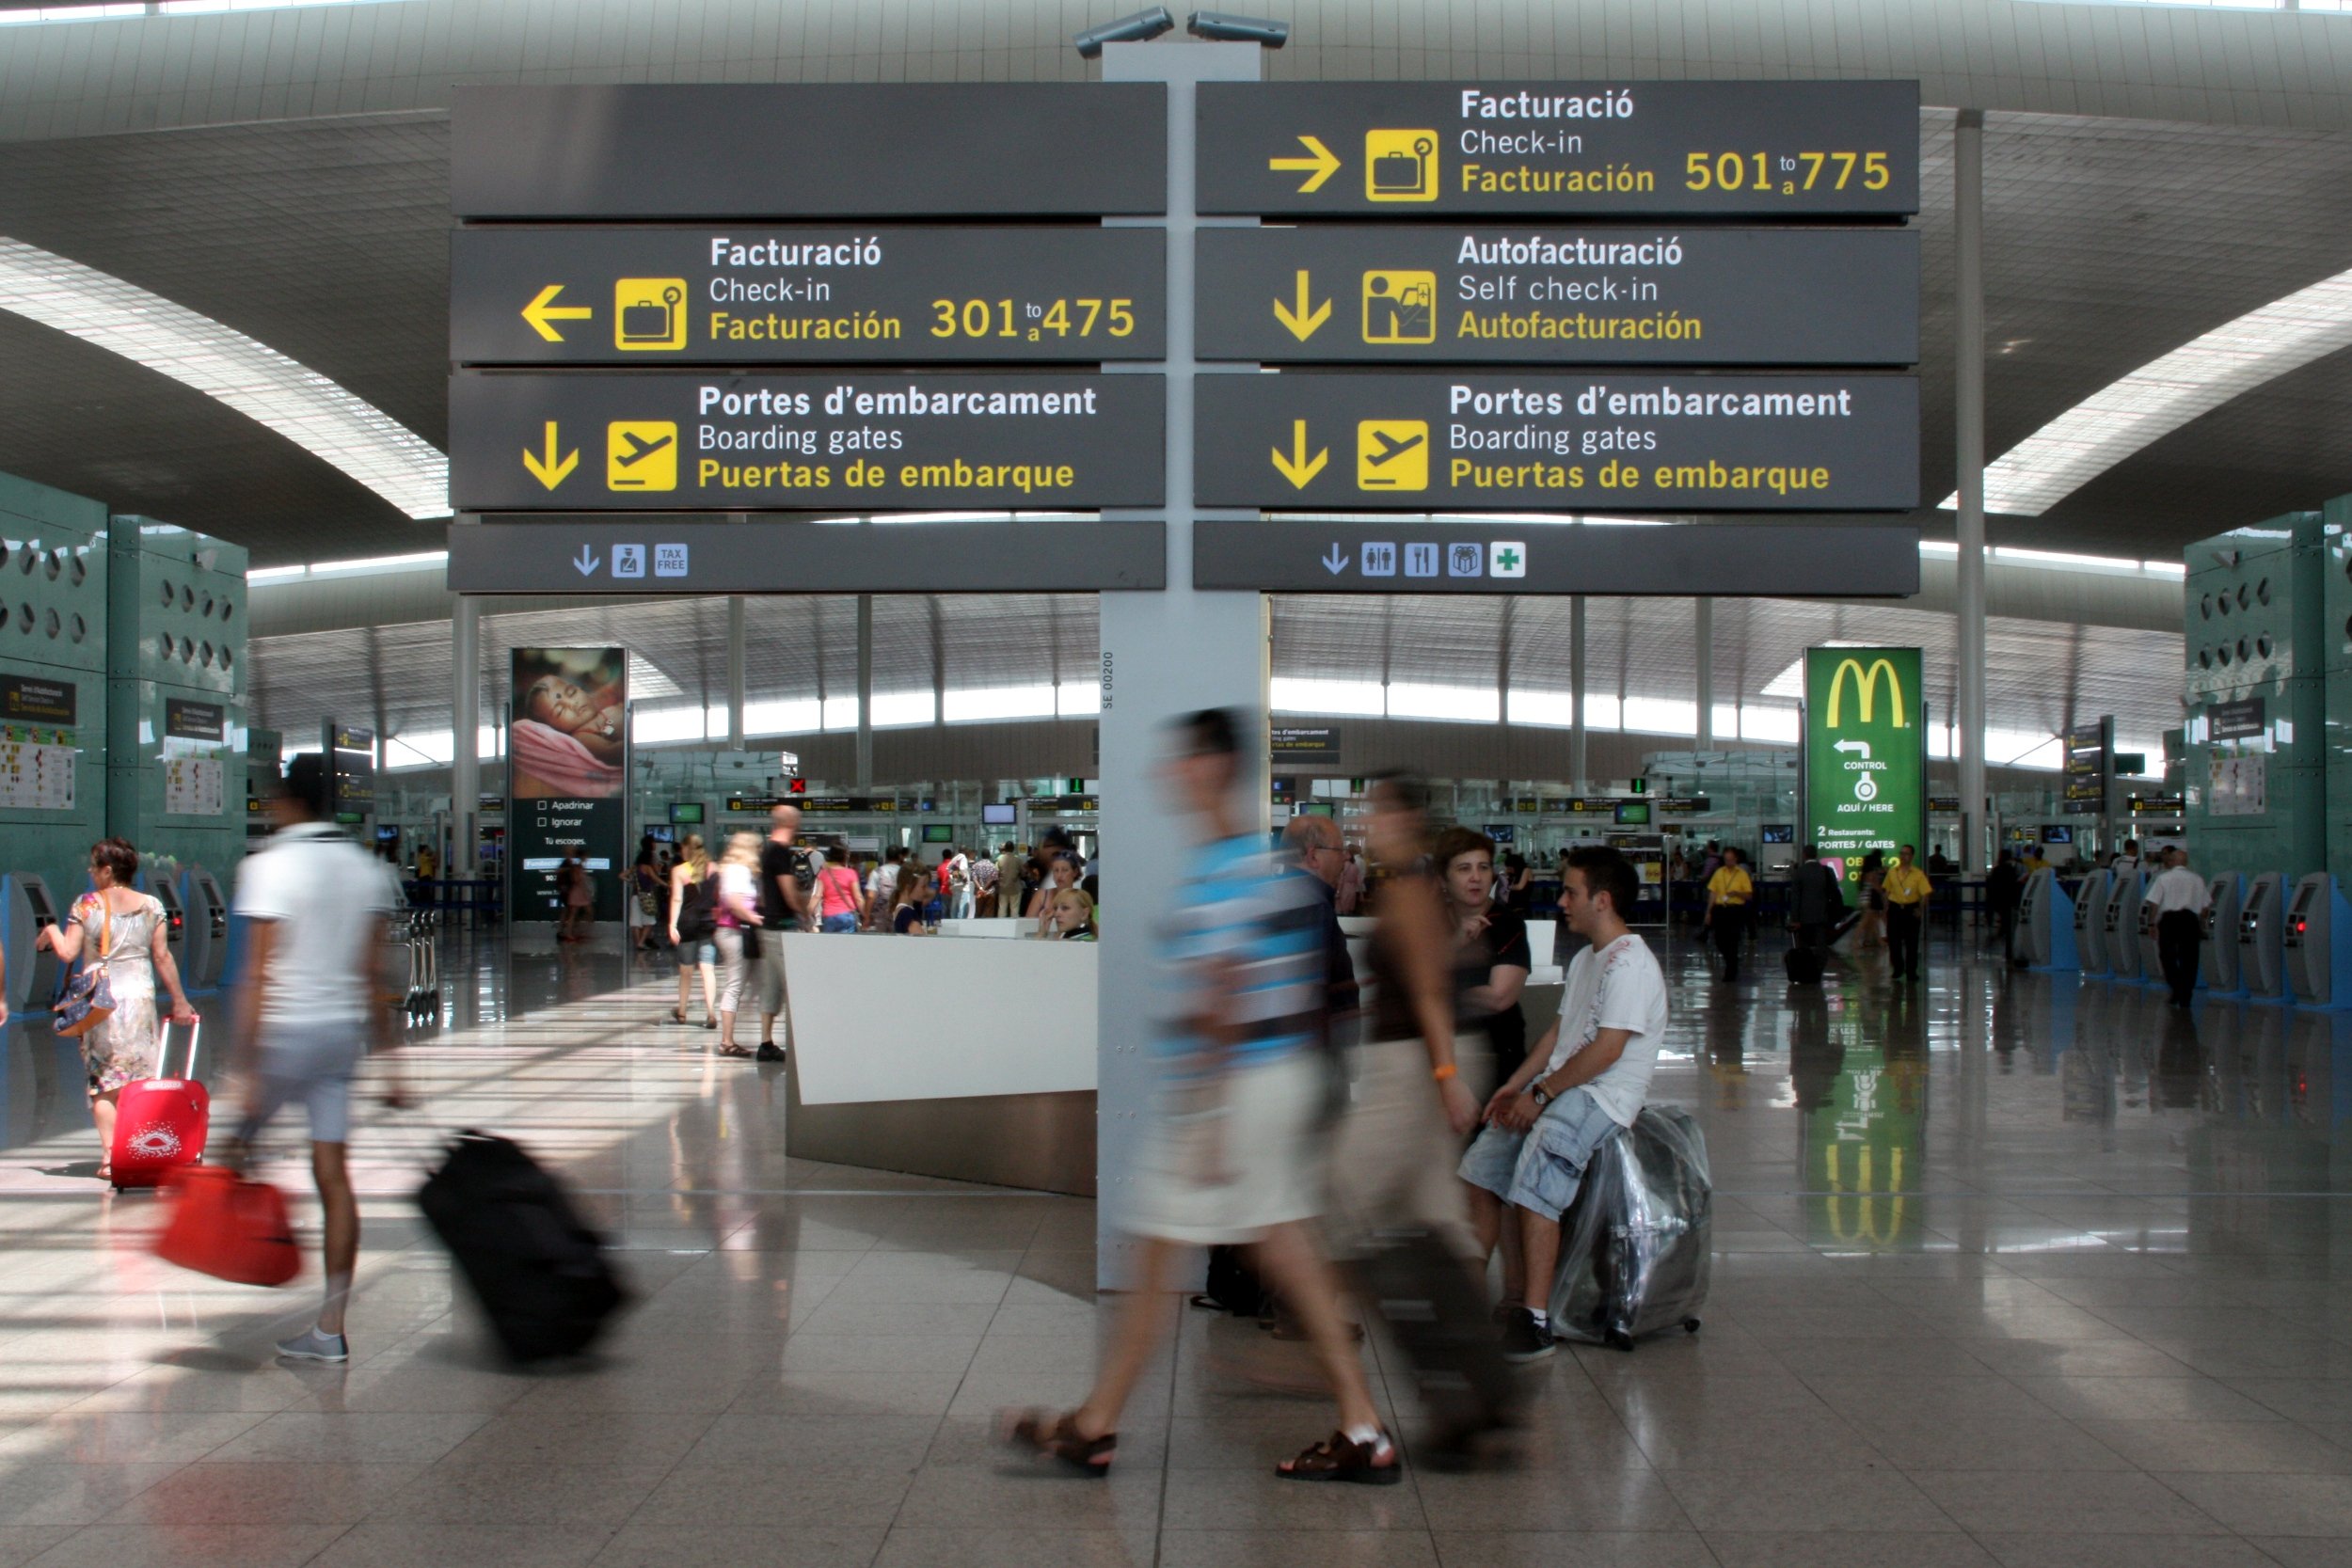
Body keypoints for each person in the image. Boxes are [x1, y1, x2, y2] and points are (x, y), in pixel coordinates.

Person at [1000, 709, 1383, 1484]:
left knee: (1156, 1250)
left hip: (1233, 1090)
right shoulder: (1247, 864)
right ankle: (1361, 1424)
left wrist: (1208, 1111)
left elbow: (1226, 993)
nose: (1167, 774)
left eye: (1181, 761)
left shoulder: (1230, 872)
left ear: (1211, 767)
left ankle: (1095, 1425)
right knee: (1278, 1247)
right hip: (1261, 1083)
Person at [225, 752, 407, 1363]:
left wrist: (246, 1069)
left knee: (233, 1148)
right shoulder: (366, 869)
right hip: (339, 1038)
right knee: (334, 1176)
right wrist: (391, 1064)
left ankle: (235, 1249)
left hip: (285, 1034)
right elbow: (373, 977)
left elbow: (256, 973)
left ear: (285, 801)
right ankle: (330, 1326)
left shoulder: (268, 866)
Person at [1461, 845, 1668, 1361]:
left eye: (1571, 892)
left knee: (1537, 1173)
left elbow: (1608, 1049)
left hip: (1604, 1094)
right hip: (1562, 1084)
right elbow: (1559, 1034)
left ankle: (1534, 1319)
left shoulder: (1632, 965)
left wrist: (1542, 1095)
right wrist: (1516, 1086)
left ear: (1602, 899)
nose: (1561, 902)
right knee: (1482, 1168)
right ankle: (1474, 1300)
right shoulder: (1586, 959)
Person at [36, 837, 198, 1184]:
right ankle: (140, 1149)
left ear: (108, 870)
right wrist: (180, 1000)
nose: (90, 872)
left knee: (103, 1081)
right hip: (139, 999)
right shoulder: (153, 906)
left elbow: (67, 953)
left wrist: (50, 929)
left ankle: (111, 1157)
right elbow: (162, 957)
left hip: (101, 1003)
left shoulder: (87, 905)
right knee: (138, 1079)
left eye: (94, 866)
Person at [754, 805, 807, 1062]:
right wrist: (803, 910)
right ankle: (799, 1045)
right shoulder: (781, 852)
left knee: (772, 985)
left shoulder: (767, 851)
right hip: (784, 929)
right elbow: (789, 892)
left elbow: (764, 894)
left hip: (769, 927)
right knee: (794, 986)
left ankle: (766, 1042)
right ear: (791, 823)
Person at [712, 832, 763, 1058]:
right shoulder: (738, 870)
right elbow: (734, 902)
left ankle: (733, 1037)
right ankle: (727, 1041)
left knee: (746, 984)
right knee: (734, 985)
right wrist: (754, 918)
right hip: (734, 931)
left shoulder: (735, 870)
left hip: (735, 932)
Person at [2147, 847, 2211, 1007]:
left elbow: (2154, 903)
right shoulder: (2197, 879)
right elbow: (2205, 907)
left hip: (2169, 920)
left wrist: (2151, 923)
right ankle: (2186, 994)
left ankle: (2176, 987)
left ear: (2172, 862)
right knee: (2190, 958)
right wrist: (2201, 923)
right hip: (2189, 920)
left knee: (2167, 956)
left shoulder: (2163, 878)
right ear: (2186, 862)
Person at [666, 833, 718, 1030]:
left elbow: (677, 899)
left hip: (687, 923)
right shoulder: (713, 868)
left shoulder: (679, 870)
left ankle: (682, 1011)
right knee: (708, 969)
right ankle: (711, 1013)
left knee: (686, 970)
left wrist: (672, 925)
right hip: (707, 923)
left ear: (686, 848)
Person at [1883, 843, 1932, 982]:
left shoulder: (1918, 874)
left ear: (1911, 856)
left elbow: (1925, 894)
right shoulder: (1892, 872)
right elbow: (1887, 891)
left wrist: (1920, 909)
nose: (1903, 856)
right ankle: (1898, 968)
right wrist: (1885, 909)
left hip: (1911, 909)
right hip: (1895, 908)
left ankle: (1911, 971)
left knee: (1912, 942)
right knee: (1894, 941)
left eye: (1906, 854)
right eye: (1901, 853)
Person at [1704, 846, 1755, 982]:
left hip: (1735, 911)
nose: (1729, 863)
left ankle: (1731, 970)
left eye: (1731, 860)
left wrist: (1737, 893)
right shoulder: (1719, 873)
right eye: (1726, 860)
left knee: (1733, 940)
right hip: (1720, 909)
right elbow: (1713, 892)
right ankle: (1731, 960)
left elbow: (1749, 895)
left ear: (1736, 859)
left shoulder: (1742, 874)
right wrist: (1709, 912)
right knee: (1719, 939)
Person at [1789, 843, 1845, 953]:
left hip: (1804, 915)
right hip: (1823, 913)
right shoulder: (1827, 871)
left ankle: (1807, 966)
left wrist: (1794, 919)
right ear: (1816, 855)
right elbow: (1835, 891)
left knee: (1804, 945)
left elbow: (1795, 897)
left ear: (1804, 855)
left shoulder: (1799, 872)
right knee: (1821, 944)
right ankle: (1820, 965)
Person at [1986, 849, 2024, 964]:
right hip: (2009, 901)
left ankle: (2000, 939)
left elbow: (1990, 887)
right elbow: (2015, 886)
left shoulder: (1996, 870)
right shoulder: (2011, 870)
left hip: (1998, 901)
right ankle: (2008, 951)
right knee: (2008, 926)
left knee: (2006, 924)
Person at [815, 851, 866, 934]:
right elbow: (858, 898)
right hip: (846, 915)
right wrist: (866, 916)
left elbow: (817, 896)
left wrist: (806, 912)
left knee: (829, 945)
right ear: (845, 859)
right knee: (847, 945)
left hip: (829, 916)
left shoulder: (823, 874)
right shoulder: (851, 873)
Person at [1031, 855, 1080, 940]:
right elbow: (1026, 924)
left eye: (1065, 870)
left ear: (1075, 872)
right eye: (1056, 871)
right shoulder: (1042, 895)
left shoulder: (1080, 897)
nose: (1059, 875)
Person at [629, 835, 660, 951]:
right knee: (650, 920)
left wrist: (630, 880)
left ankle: (639, 943)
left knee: (635, 921)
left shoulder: (637, 863)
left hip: (636, 894)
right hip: (647, 894)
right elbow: (656, 876)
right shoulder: (652, 859)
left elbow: (623, 874)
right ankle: (642, 942)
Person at [556, 847, 593, 942]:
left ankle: (569, 931)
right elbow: (576, 879)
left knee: (572, 912)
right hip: (576, 892)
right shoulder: (573, 865)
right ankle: (568, 932)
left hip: (575, 891)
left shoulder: (574, 865)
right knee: (573, 913)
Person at [1855, 849, 1887, 950]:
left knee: (1870, 922)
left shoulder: (1864, 874)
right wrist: (1883, 893)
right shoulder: (1872, 874)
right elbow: (1876, 887)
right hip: (1868, 900)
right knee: (1866, 922)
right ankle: (1856, 941)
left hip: (1863, 899)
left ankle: (1868, 941)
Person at [889, 863, 934, 934]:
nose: (926, 890)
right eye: (923, 886)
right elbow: (922, 941)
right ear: (908, 887)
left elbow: (931, 894)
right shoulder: (906, 913)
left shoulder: (909, 908)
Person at [995, 841, 1025, 921]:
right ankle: (1014, 927)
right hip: (1015, 887)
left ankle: (1001, 926)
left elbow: (996, 873)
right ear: (1013, 849)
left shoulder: (999, 859)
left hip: (1003, 888)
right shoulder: (1018, 859)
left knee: (1002, 909)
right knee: (1015, 909)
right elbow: (1023, 873)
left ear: (1005, 849)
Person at [1335, 844, 1366, 916]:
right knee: (1350, 910)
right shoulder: (1355, 867)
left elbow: (1341, 881)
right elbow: (1358, 881)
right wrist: (1361, 895)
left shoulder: (1343, 866)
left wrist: (1338, 892)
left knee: (1341, 910)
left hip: (1344, 890)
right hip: (1353, 890)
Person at [971, 849, 1000, 918]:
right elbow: (992, 879)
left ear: (982, 856)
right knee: (989, 914)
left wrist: (980, 889)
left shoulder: (975, 865)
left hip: (979, 893)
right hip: (990, 892)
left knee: (978, 913)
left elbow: (974, 878)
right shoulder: (993, 866)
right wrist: (984, 888)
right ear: (989, 856)